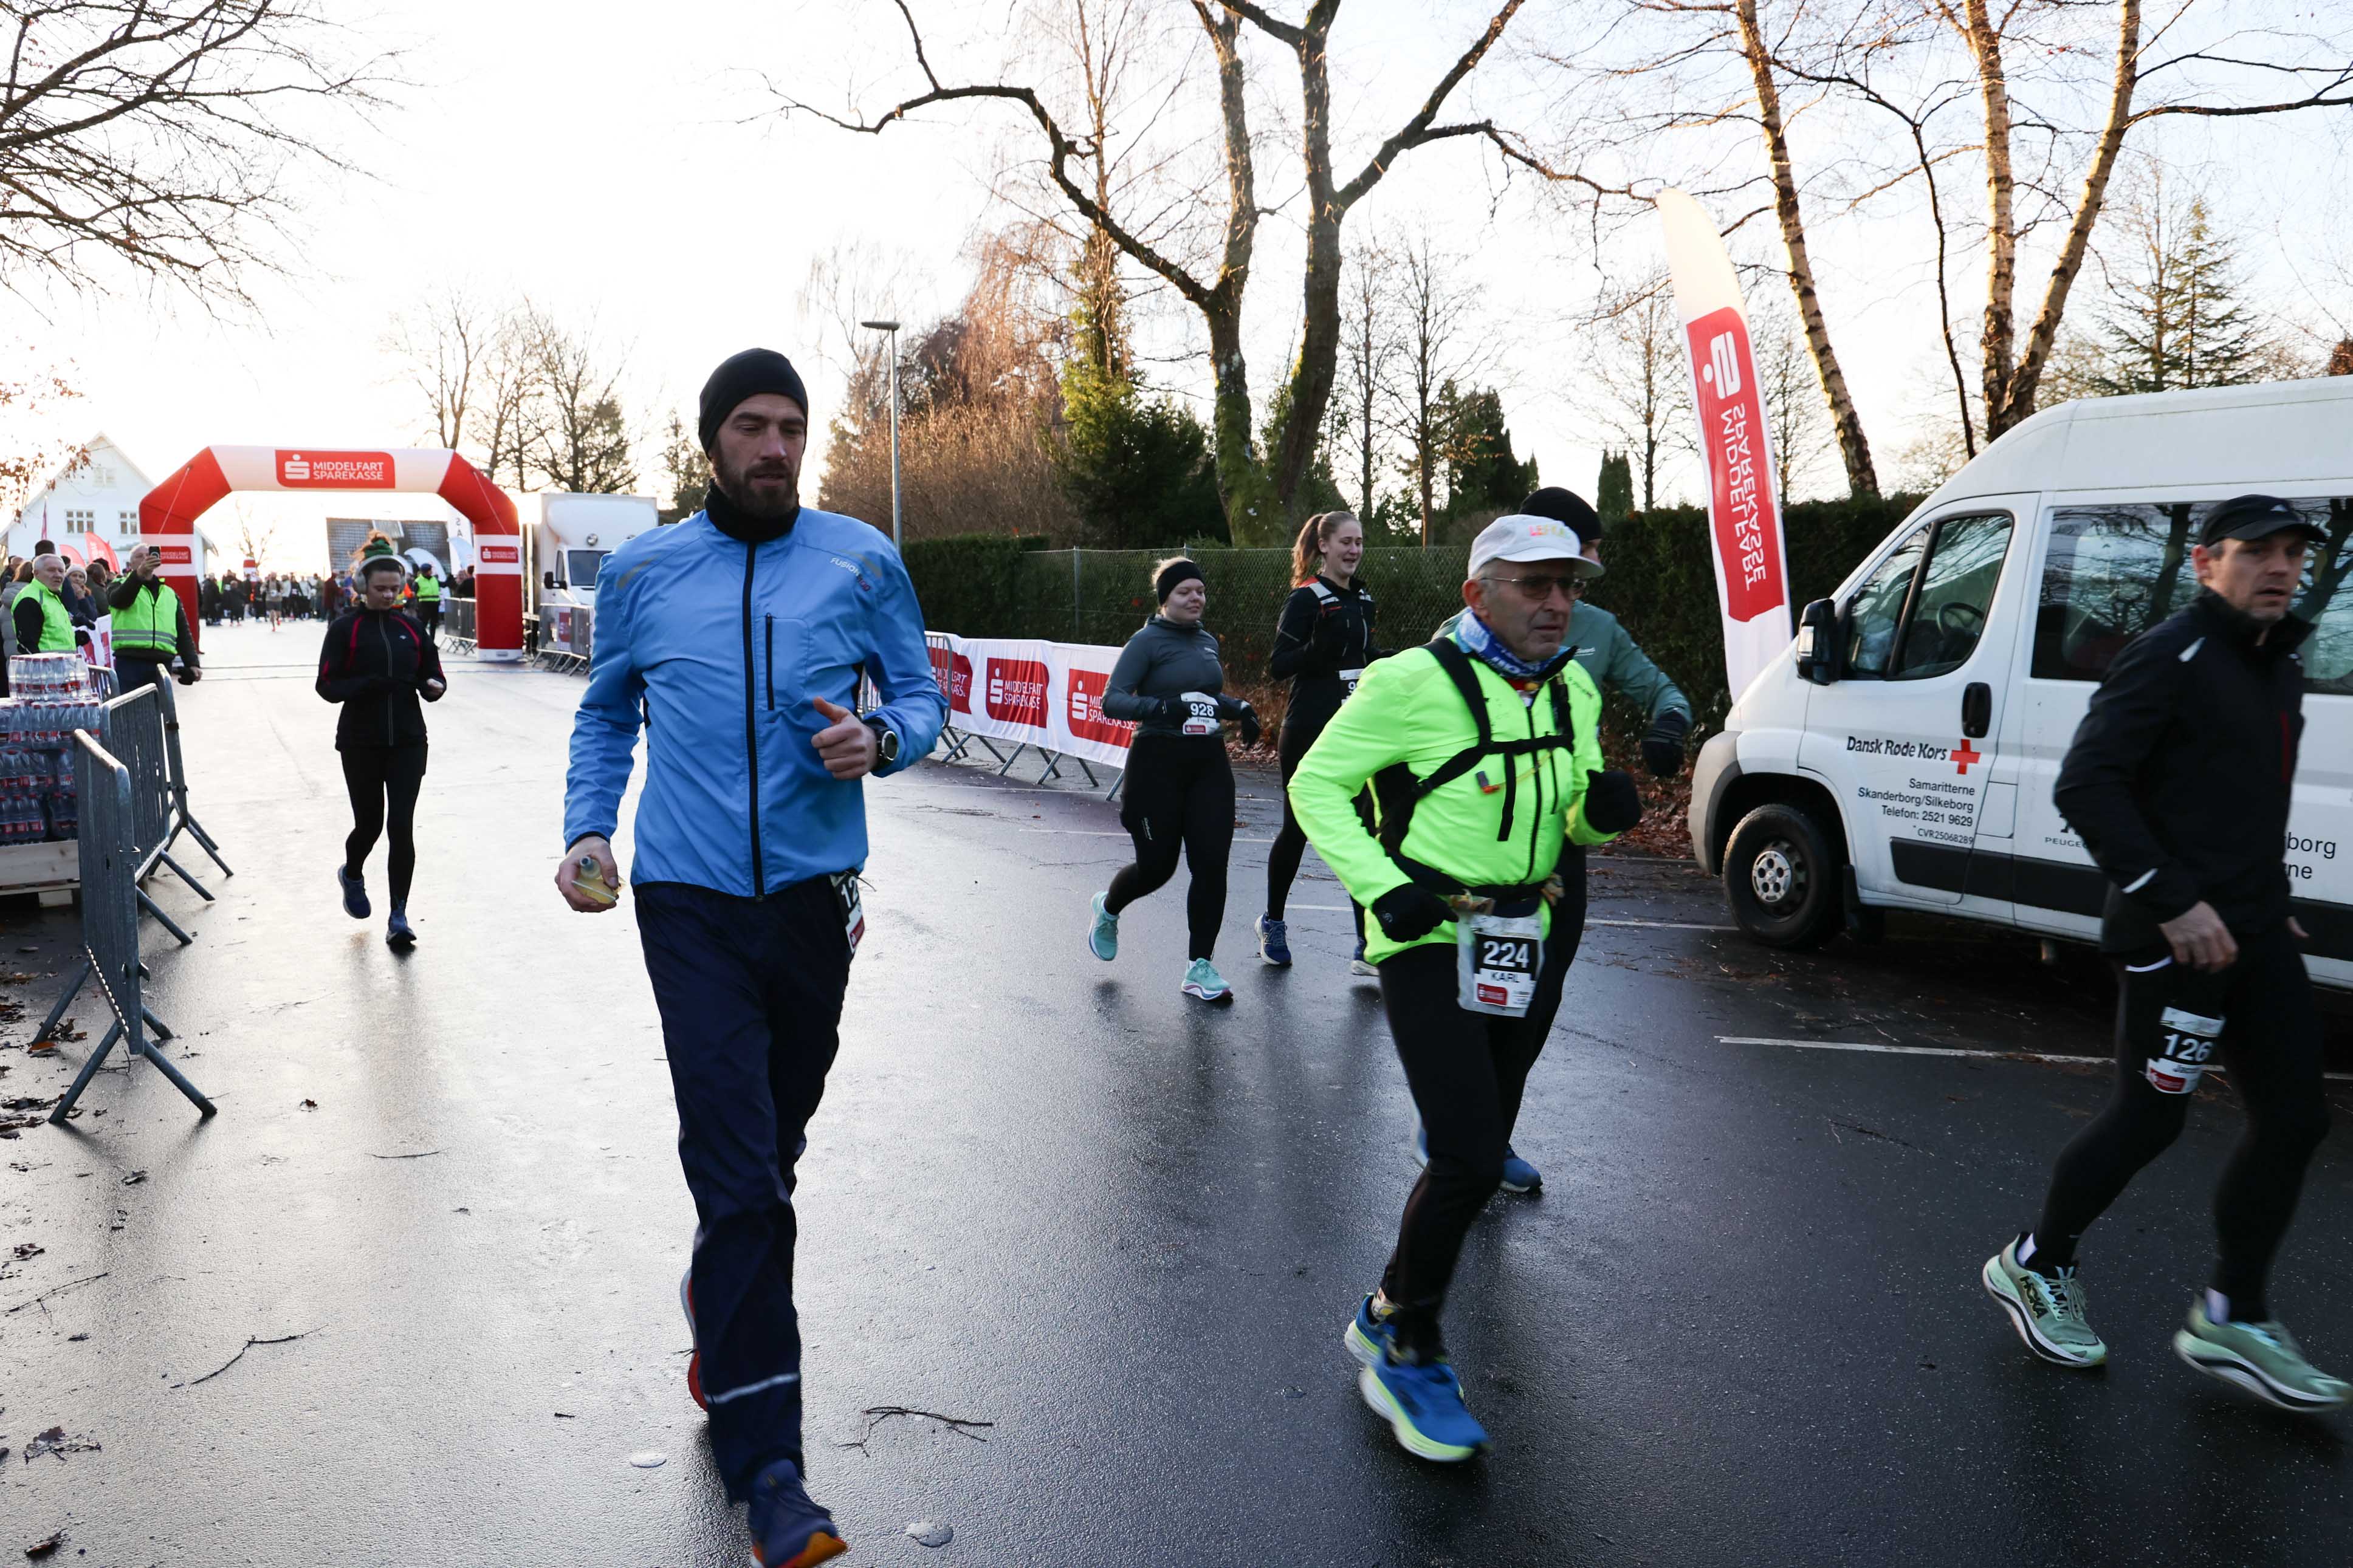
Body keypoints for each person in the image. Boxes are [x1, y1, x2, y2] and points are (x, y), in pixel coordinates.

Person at [557, 347, 944, 1568]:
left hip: (813, 903)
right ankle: (770, 1470)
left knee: (769, 1157)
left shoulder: (860, 560)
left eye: (790, 426)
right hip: (687, 901)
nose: (774, 447)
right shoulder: (645, 570)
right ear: (711, 440)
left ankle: (715, 1299)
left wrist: (881, 740)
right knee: (742, 1186)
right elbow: (605, 712)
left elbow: (924, 699)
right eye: (751, 426)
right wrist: (587, 828)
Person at [1981, 493, 2348, 1411]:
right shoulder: (2168, 654)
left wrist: (2269, 901)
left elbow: (2240, 801)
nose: (2279, 567)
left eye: (2292, 552)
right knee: (2150, 1119)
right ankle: (2035, 1262)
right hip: (2168, 939)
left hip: (2254, 929)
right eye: (2255, 551)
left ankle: (2232, 1314)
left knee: (2296, 1118)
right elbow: (2087, 784)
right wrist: (2174, 901)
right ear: (2204, 562)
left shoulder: (2278, 662)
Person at [1290, 512, 1642, 1462]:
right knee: (1470, 1154)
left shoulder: (1572, 686)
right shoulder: (1412, 681)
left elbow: (1571, 815)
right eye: (1536, 584)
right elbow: (1316, 786)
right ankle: (1408, 1350)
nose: (1558, 602)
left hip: (1520, 936)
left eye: (1569, 585)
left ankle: (1383, 1308)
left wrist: (1601, 815)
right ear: (1477, 593)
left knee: (1479, 1135)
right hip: (1424, 934)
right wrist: (1384, 889)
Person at [1424, 486, 1694, 1194]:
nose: (1567, 589)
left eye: (1578, 569)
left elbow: (1662, 691)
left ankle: (1490, 1137)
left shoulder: (1594, 627)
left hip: (1559, 846)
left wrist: (1668, 725)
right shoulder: (1464, 628)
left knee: (1532, 1005)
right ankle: (1454, 1119)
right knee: (1473, 1002)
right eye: (1580, 553)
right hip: (1473, 851)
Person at [1087, 558, 1262, 1005]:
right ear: (1165, 598)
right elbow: (1112, 701)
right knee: (1157, 868)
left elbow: (1205, 697)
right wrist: (1161, 708)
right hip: (1156, 764)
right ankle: (1108, 908)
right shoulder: (1145, 641)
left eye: (1200, 590)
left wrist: (1239, 708)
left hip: (1208, 763)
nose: (1195, 598)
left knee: (1212, 863)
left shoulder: (1206, 641)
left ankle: (1199, 966)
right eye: (1185, 591)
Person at [1259, 510, 1381, 975]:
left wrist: (1394, 660)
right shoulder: (1306, 597)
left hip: (1354, 729)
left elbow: (1363, 655)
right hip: (1308, 728)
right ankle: (1272, 923)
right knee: (1299, 829)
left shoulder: (1364, 598)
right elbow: (1279, 665)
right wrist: (1316, 651)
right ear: (1324, 546)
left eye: (1359, 542)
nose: (1354, 550)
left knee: (1363, 830)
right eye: (1346, 541)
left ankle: (1367, 943)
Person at [317, 544, 446, 948]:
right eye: (381, 589)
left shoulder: (412, 628)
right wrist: (368, 685)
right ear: (362, 587)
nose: (389, 595)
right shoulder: (345, 629)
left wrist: (435, 687)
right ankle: (352, 872)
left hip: (408, 740)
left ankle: (399, 916)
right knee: (370, 824)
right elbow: (326, 686)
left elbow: (434, 672)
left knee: (401, 825)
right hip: (361, 742)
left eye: (395, 589)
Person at [109, 545, 202, 694]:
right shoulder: (117, 585)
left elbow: (182, 630)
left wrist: (192, 663)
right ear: (131, 563)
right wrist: (139, 574)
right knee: (132, 707)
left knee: (160, 707)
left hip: (162, 663)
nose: (145, 559)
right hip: (130, 662)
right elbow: (120, 601)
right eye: (140, 556)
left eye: (149, 555)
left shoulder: (169, 593)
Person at [15, 552, 88, 654]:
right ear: (36, 573)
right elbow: (28, 646)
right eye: (51, 570)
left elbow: (52, 635)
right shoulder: (30, 598)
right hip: (48, 664)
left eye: (61, 571)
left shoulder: (52, 596)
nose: (58, 575)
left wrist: (75, 638)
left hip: (64, 663)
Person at [413, 559, 444, 642]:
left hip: (435, 604)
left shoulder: (434, 579)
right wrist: (416, 606)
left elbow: (443, 585)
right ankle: (421, 641)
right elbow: (414, 594)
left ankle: (431, 642)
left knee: (434, 624)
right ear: (425, 571)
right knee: (423, 624)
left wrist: (450, 580)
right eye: (429, 570)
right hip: (424, 605)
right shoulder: (418, 581)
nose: (431, 572)